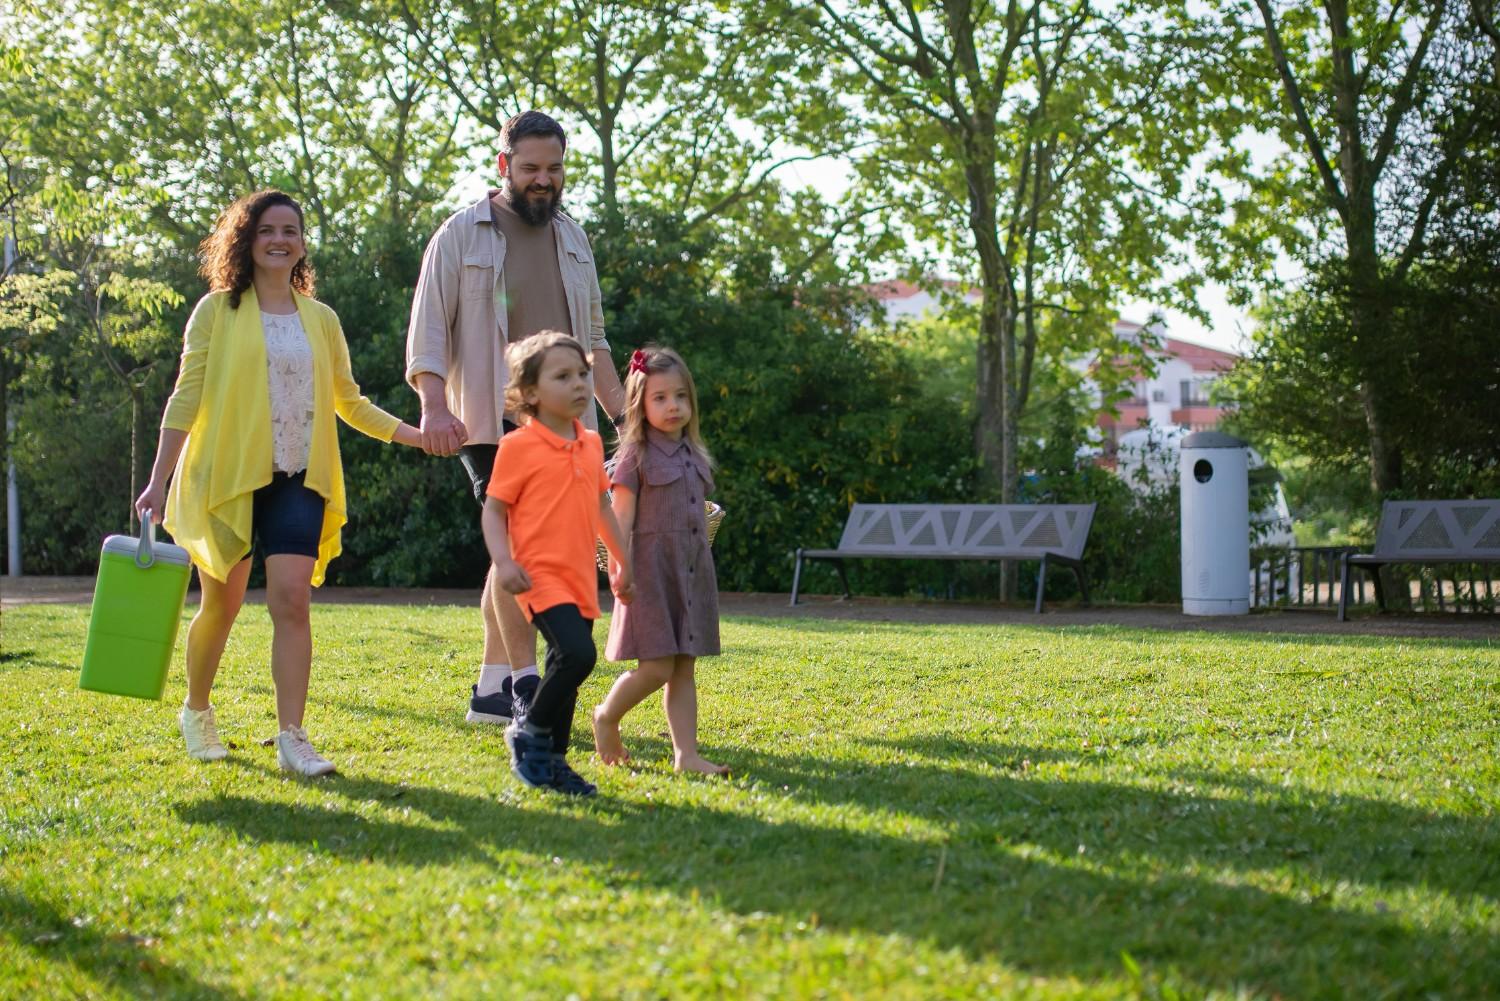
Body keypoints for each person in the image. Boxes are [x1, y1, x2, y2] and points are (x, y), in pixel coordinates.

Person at [136, 190, 424, 776]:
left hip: (300, 478)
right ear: (246, 240)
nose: (280, 240)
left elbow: (349, 402)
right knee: (223, 603)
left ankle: (293, 736)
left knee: (292, 600)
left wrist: (415, 435)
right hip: (228, 478)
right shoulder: (217, 310)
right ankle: (196, 710)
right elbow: (185, 397)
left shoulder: (321, 320)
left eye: (291, 231)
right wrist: (158, 480)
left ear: (301, 244)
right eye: (268, 230)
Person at [405, 110, 626, 730]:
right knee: (524, 545)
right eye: (530, 168)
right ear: (503, 165)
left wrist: (623, 422)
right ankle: (526, 685)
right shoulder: (460, 234)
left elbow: (597, 343)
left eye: (554, 169)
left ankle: (492, 688)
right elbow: (426, 331)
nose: (543, 180)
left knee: (512, 554)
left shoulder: (575, 240)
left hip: (564, 422)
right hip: (487, 419)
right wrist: (432, 406)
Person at [482, 332, 632, 796]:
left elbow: (602, 506)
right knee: (578, 655)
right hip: (537, 574)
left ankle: (552, 762)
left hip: (580, 575)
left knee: (563, 666)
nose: (579, 384)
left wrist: (625, 561)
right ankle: (528, 733)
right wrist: (503, 563)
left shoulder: (589, 444)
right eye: (562, 376)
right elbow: (494, 510)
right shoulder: (518, 447)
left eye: (583, 374)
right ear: (529, 393)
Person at [591, 347, 729, 775]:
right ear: (639, 405)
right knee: (655, 667)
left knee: (684, 665)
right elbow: (620, 516)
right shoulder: (634, 457)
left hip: (689, 573)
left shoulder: (695, 456)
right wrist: (620, 566)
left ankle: (686, 755)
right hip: (649, 573)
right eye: (661, 398)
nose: (674, 406)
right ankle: (606, 717)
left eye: (681, 396)